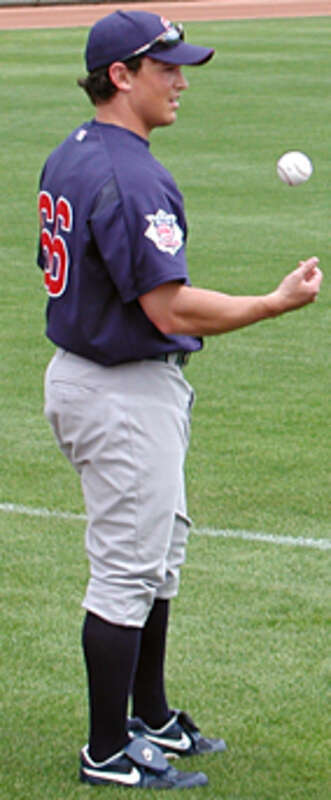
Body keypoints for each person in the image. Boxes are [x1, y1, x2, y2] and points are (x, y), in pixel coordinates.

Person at [37, 10, 323, 791]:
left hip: (97, 375)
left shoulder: (72, 152)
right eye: (165, 67)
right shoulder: (130, 174)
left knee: (160, 554)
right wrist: (271, 303)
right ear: (120, 76)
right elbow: (168, 309)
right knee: (129, 568)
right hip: (118, 389)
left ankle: (151, 713)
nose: (180, 80)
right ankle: (106, 750)